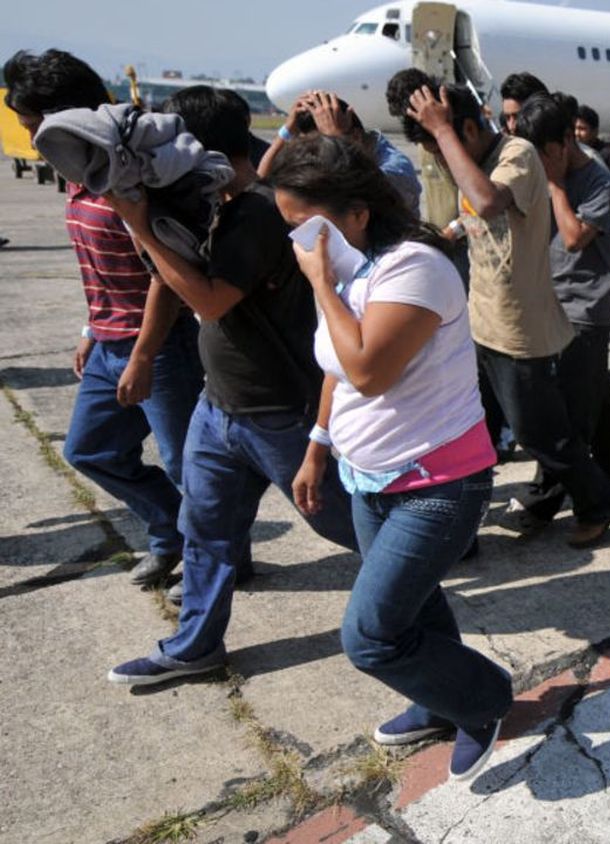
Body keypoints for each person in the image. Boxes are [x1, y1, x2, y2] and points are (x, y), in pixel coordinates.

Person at [268, 134, 509, 782]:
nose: (299, 240)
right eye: (289, 225)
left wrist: (320, 283)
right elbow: (336, 367)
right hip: (367, 476)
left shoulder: (415, 267)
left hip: (437, 483)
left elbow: (368, 370)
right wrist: (318, 446)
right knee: (414, 604)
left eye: (306, 223)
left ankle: (483, 702)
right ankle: (440, 700)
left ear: (357, 213)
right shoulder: (354, 269)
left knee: (370, 636)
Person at [105, 86, 358, 685]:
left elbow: (211, 299)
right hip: (218, 405)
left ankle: (415, 575)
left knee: (346, 523)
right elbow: (175, 280)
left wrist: (139, 227)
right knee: (206, 530)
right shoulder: (207, 200)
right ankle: (196, 645)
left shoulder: (258, 211)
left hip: (278, 411)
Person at [4, 48, 204, 588]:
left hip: (159, 344)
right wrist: (91, 328)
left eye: (34, 126)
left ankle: (217, 565)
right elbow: (99, 262)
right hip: (111, 339)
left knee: (190, 467)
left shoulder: (127, 172)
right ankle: (170, 532)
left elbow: (166, 273)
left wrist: (141, 356)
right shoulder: (79, 165)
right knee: (90, 450)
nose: (31, 141)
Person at [406, 83, 610, 546]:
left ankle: (598, 501)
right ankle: (469, 518)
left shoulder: (519, 154)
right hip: (481, 319)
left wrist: (441, 131)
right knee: (473, 427)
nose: (443, 156)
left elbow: (487, 202)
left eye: (445, 141)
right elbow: (475, 213)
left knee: (539, 432)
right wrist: (447, 233)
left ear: (465, 128)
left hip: (520, 325)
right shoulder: (477, 159)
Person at [510, 93, 610, 515]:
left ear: (561, 144)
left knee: (571, 412)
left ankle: (553, 501)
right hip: (549, 297)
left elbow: (575, 239)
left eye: (541, 154)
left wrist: (556, 184)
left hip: (585, 305)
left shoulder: (599, 182)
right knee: (592, 392)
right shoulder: (538, 171)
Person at [256, 90, 421, 214]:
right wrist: (287, 131)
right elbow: (262, 182)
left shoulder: (396, 169)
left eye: (320, 150)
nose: (314, 159)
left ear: (354, 137)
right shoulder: (325, 157)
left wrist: (336, 141)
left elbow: (367, 194)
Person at [574, 104, 610, 175]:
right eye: (575, 128)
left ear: (595, 131)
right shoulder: (573, 152)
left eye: (582, 129)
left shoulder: (607, 154)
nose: (577, 133)